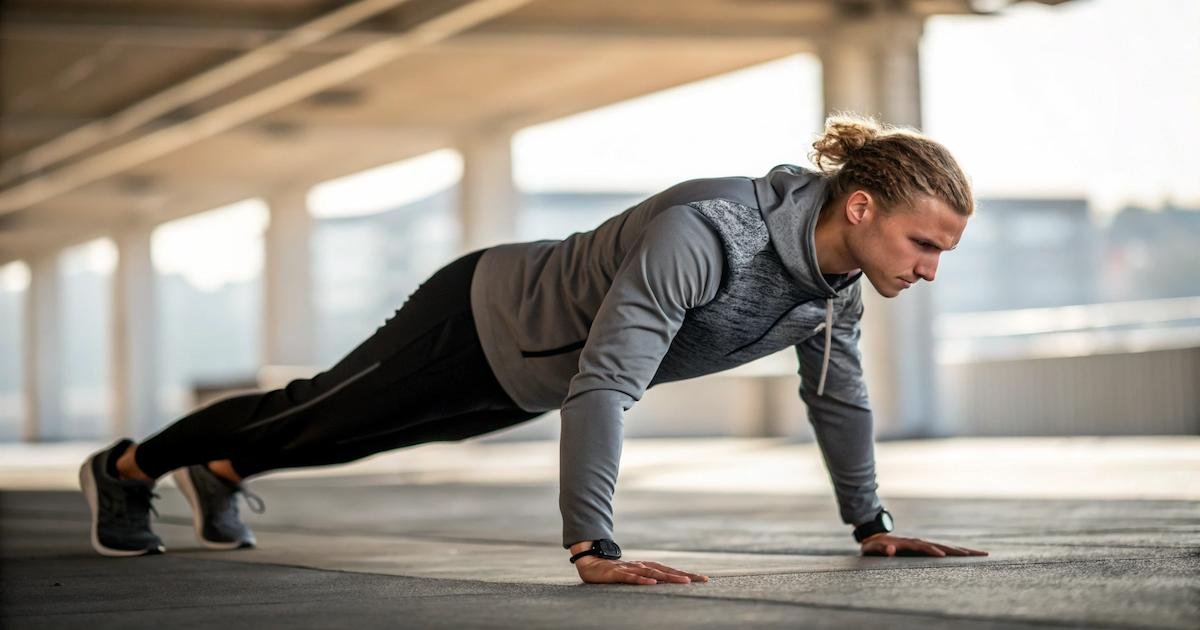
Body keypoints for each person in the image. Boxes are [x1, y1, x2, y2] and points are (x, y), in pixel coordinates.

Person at [80, 112, 987, 586]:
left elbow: (837, 397)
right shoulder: (706, 230)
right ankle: (128, 468)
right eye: (924, 244)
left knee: (357, 438)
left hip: (530, 375)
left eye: (943, 252)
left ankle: (225, 472)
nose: (931, 269)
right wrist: (592, 544)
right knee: (319, 409)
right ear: (862, 207)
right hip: (479, 316)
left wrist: (871, 527)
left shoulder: (832, 292)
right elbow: (609, 381)